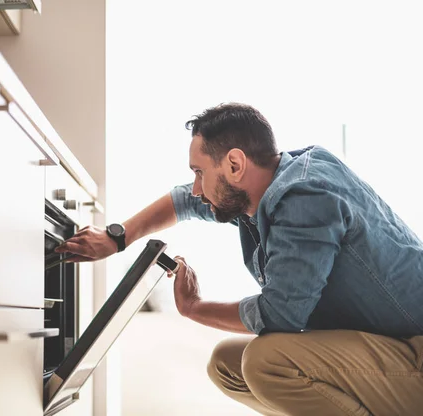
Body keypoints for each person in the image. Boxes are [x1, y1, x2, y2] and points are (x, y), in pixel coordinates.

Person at [54, 102, 423, 415]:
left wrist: (194, 308)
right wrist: (117, 239)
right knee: (228, 365)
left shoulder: (305, 199)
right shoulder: (266, 184)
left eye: (199, 172)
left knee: (266, 362)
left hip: (416, 355)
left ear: (234, 164)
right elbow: (186, 200)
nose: (197, 187)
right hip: (389, 346)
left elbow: (281, 317)